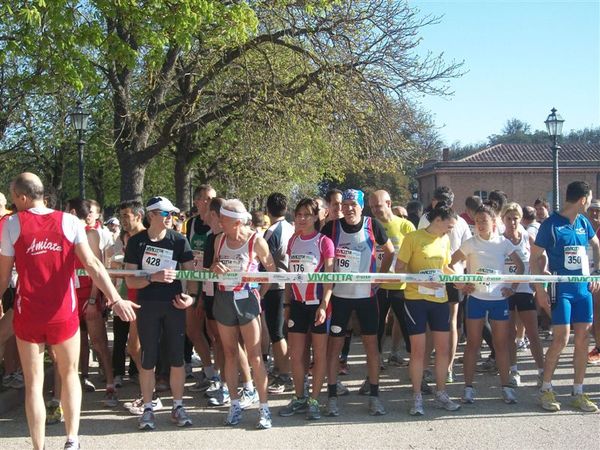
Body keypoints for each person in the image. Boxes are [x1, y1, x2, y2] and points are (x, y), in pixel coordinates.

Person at [0, 173, 137, 450]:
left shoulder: (11, 224)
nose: (13, 203)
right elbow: (93, 265)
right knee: (70, 373)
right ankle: (71, 439)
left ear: (22, 197)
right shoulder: (70, 221)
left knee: (34, 382)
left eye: (13, 198)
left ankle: (39, 446)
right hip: (63, 311)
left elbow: (2, 278)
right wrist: (115, 299)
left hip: (29, 313)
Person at [124, 196, 197, 430]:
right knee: (148, 358)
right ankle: (147, 407)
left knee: (177, 358)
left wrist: (191, 298)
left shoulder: (179, 240)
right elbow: (130, 281)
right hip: (148, 305)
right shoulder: (136, 242)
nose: (171, 219)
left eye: (172, 215)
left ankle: (178, 406)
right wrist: (151, 277)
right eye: (166, 214)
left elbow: (192, 275)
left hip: (174, 305)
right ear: (152, 215)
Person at [321, 189, 394, 417]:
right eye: (346, 204)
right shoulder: (332, 227)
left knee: (371, 347)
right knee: (334, 348)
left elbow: (389, 252)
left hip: (367, 297)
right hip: (340, 297)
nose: (349, 208)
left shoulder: (372, 225)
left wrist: (379, 279)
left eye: (354, 204)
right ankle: (332, 397)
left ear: (361, 206)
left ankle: (374, 396)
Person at [532, 181, 600, 412]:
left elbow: (596, 245)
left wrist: (596, 273)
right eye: (589, 199)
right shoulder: (551, 224)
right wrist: (540, 288)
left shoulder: (583, 222)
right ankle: (546, 389)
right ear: (582, 199)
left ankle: (578, 392)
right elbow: (534, 257)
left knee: (584, 339)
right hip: (561, 289)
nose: (590, 204)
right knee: (561, 338)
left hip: (583, 291)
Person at [211, 199, 276, 429]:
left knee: (255, 355)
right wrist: (214, 269)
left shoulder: (255, 240)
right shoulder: (219, 239)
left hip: (247, 298)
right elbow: (214, 267)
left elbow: (271, 270)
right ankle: (235, 405)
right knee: (229, 353)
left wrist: (259, 292)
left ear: (237, 222)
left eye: (224, 220)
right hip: (224, 298)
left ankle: (264, 408)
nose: (220, 222)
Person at [452, 203, 524, 405]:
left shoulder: (502, 242)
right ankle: (468, 387)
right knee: (473, 345)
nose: (480, 225)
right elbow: (450, 263)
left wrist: (513, 288)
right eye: (477, 221)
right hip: (476, 299)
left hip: (499, 300)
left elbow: (520, 265)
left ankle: (506, 387)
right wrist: (462, 283)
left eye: (484, 221)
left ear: (494, 222)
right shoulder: (470, 243)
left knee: (500, 345)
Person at [396, 202, 461, 416]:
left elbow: (444, 267)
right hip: (415, 299)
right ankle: (416, 396)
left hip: (439, 299)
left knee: (442, 349)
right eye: (449, 226)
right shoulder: (413, 238)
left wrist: (459, 280)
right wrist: (421, 282)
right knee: (418, 350)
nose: (451, 231)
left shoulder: (443, 240)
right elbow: (399, 270)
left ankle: (441, 392)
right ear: (438, 220)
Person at [279, 198, 334, 420]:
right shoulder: (293, 240)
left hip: (319, 305)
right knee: (296, 354)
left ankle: (313, 400)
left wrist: (324, 305)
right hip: (298, 306)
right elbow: (291, 278)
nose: (301, 218)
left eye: (307, 215)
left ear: (316, 217)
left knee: (319, 355)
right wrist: (287, 303)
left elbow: (329, 278)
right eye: (298, 214)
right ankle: (300, 396)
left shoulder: (324, 242)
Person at [66, 198, 118, 405]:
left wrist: (93, 299)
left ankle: (111, 384)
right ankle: (80, 378)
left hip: (89, 294)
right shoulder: (64, 235)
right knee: (74, 342)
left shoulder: (91, 234)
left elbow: (97, 268)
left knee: (99, 342)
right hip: (70, 295)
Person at [418, 186, 471, 382]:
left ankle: (447, 366)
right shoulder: (427, 218)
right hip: (432, 275)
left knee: (451, 321)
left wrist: (460, 270)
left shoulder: (461, 222)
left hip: (450, 275)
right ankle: (427, 366)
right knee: (435, 322)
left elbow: (467, 249)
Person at [367, 190, 414, 379]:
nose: (375, 210)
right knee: (376, 327)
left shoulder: (405, 225)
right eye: (371, 207)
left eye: (378, 206)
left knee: (407, 327)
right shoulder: (369, 226)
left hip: (401, 286)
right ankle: (375, 367)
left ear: (389, 203)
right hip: (378, 286)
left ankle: (417, 366)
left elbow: (414, 254)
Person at [501, 203, 544, 386]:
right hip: (506, 291)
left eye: (515, 218)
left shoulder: (527, 236)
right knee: (509, 333)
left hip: (525, 290)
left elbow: (542, 255)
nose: (512, 222)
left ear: (521, 219)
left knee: (533, 333)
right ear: (503, 219)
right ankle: (514, 371)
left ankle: (542, 371)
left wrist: (541, 274)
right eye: (509, 218)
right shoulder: (499, 240)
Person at [184, 185, 218, 390]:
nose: (209, 202)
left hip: (215, 286)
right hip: (195, 283)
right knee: (192, 330)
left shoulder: (219, 225)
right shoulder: (191, 224)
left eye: (212, 198)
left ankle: (221, 376)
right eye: (205, 199)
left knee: (216, 334)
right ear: (197, 202)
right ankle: (208, 372)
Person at [263, 193, 295, 394]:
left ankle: (285, 374)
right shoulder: (292, 228)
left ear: (267, 210)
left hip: (275, 286)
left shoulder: (271, 232)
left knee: (276, 332)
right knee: (280, 331)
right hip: (288, 284)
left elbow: (265, 262)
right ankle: (281, 369)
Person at [586, 199, 600, 365]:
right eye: (592, 210)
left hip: (597, 277)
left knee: (596, 312)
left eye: (598, 210)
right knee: (593, 314)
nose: (595, 214)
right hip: (585, 277)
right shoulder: (582, 229)